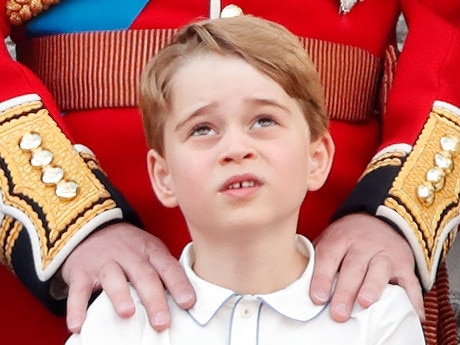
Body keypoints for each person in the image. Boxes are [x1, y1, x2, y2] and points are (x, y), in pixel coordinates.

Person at [0, 1, 459, 344]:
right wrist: (67, 218)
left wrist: (396, 207)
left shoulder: (378, 318)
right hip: (76, 283)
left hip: (341, 267)